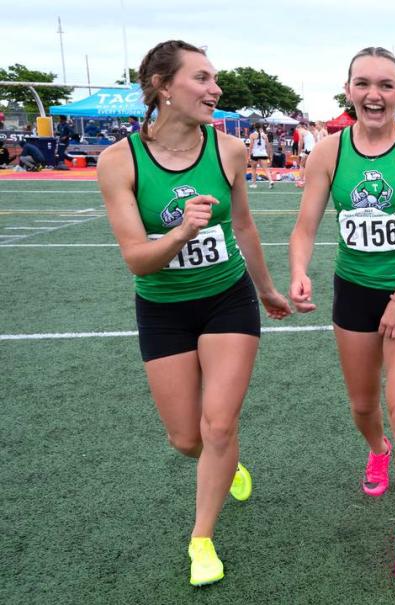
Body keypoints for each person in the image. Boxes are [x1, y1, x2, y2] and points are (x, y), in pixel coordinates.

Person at [95, 40, 292, 587]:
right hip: (162, 310)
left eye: (215, 79)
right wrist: (182, 228)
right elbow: (138, 259)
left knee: (220, 422)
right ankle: (224, 459)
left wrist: (268, 288)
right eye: (202, 79)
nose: (216, 89)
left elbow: (245, 226)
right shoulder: (119, 162)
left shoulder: (229, 150)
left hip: (227, 299)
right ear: (163, 87)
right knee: (188, 439)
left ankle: (201, 538)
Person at [288, 46, 395, 581]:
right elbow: (306, 225)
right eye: (363, 84)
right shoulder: (328, 152)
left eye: (385, 84)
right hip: (352, 293)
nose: (374, 94)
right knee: (363, 406)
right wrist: (300, 269)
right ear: (348, 89)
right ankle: (375, 449)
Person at [248, 122, 274, 189]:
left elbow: (251, 146)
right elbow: (268, 146)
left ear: (254, 127)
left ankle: (254, 184)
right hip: (263, 153)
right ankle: (271, 181)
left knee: (253, 169)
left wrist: (249, 155)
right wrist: (269, 155)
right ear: (261, 127)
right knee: (266, 169)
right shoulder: (265, 135)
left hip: (255, 154)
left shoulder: (252, 135)